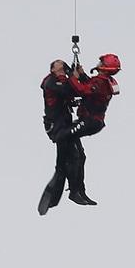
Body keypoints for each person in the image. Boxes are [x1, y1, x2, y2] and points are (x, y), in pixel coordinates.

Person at [52, 53, 122, 206]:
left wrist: (71, 76)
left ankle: (62, 172)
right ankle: (78, 190)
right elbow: (90, 86)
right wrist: (82, 74)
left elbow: (82, 90)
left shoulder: (101, 83)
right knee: (80, 155)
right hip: (91, 121)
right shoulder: (102, 81)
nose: (97, 63)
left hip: (90, 121)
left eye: (100, 62)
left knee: (62, 137)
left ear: (104, 67)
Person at [38, 59, 83, 215]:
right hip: (57, 127)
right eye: (58, 69)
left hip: (65, 125)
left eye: (63, 68)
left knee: (77, 157)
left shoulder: (61, 81)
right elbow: (66, 90)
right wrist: (73, 78)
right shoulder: (51, 82)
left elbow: (74, 92)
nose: (61, 71)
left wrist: (78, 76)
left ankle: (74, 190)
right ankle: (61, 194)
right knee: (66, 161)